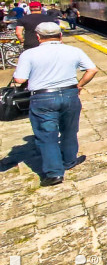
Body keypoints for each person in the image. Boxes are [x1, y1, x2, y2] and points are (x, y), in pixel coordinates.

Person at [12, 22, 97, 187]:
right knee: (70, 131)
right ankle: (70, 161)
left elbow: (20, 79)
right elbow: (92, 70)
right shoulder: (74, 51)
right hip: (70, 94)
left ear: (38, 37)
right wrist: (80, 85)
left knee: (46, 136)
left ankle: (55, 173)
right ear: (60, 35)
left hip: (43, 98)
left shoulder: (29, 54)